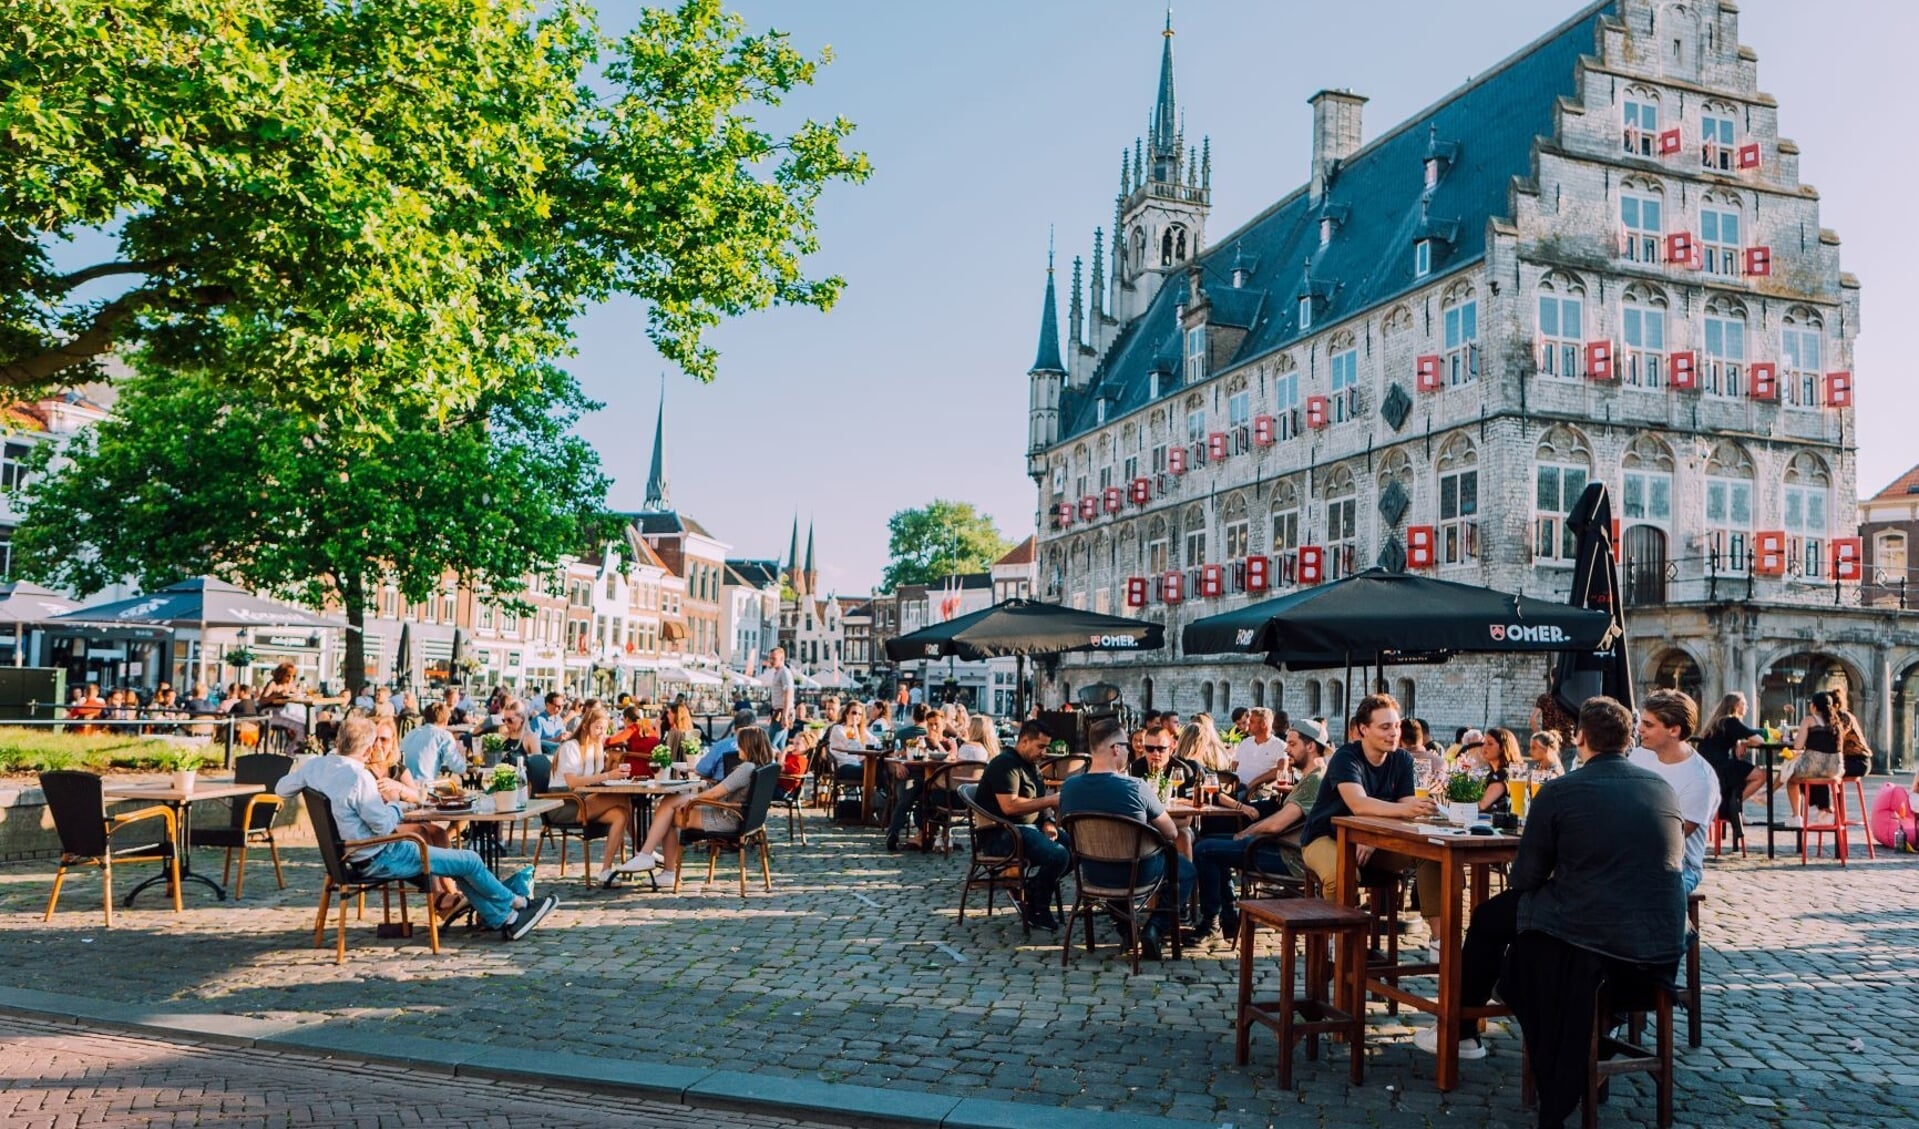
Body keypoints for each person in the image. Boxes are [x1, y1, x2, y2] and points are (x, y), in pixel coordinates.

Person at [1421, 696, 1686, 1118]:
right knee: (1503, 919)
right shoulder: (1662, 788)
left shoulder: (1561, 791)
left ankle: (1464, 1027)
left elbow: (1525, 879)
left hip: (1590, 936)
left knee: (1490, 918)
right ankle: (1467, 1027)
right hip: (1659, 940)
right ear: (1630, 739)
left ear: (1579, 738)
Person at [276, 716, 557, 939]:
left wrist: (309, 783)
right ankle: (517, 903)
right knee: (469, 860)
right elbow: (384, 825)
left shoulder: (317, 767)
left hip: (346, 856)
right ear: (367, 746)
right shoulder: (358, 776)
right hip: (376, 857)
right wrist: (398, 803)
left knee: (455, 864)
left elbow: (281, 787)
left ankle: (504, 919)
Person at [1297, 694, 1444, 955]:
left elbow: (1408, 810)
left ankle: (1440, 943)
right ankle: (1338, 941)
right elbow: (1358, 804)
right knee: (1342, 873)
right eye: (1385, 727)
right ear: (1364, 729)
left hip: (1373, 841)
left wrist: (1373, 836)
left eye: (1396, 726)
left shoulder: (1402, 760)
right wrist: (1395, 816)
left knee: (1432, 854)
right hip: (1324, 836)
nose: (1394, 734)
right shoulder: (1346, 757)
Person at [1059, 717, 1194, 960]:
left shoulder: (1069, 787)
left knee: (1116, 866)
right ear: (1116, 749)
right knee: (1185, 870)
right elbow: (1172, 833)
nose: (1133, 752)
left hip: (1092, 872)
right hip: (1138, 872)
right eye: (1129, 746)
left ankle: (1126, 929)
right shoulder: (1136, 787)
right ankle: (1155, 928)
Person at [1191, 717, 1331, 942]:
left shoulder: (1315, 780)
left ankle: (1212, 922)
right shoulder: (1314, 777)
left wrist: (1247, 833)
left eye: (1293, 744)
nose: (1286, 749)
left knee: (1204, 850)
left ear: (1311, 746)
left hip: (1288, 856)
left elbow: (1277, 823)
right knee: (1209, 840)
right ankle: (1227, 917)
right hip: (1281, 845)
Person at [620, 726, 778, 887]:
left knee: (668, 811)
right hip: (740, 817)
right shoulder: (763, 766)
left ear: (748, 745)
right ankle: (652, 860)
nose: (738, 747)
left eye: (740, 743)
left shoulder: (746, 768)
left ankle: (656, 862)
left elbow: (715, 794)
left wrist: (691, 802)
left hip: (726, 818)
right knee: (669, 804)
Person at [976, 719, 1070, 930]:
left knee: (1078, 848)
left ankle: (1033, 890)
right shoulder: (1004, 764)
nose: (1044, 752)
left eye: (1046, 747)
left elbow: (1039, 797)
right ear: (1024, 741)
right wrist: (1050, 802)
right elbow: (1009, 807)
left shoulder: (1032, 766)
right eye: (1041, 746)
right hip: (1001, 834)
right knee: (1058, 855)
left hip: (1028, 828)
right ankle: (1038, 909)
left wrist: (1048, 821)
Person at [1629, 689, 1717, 895]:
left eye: (1648, 725)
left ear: (1674, 730)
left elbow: (1673, 839)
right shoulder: (1638, 756)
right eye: (1641, 722)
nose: (1639, 729)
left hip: (1679, 865)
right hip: (1632, 852)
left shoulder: (1700, 778)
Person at [549, 704, 637, 887]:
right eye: (597, 728)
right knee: (623, 798)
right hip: (563, 803)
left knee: (621, 815)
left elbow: (593, 780)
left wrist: (614, 773)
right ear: (585, 726)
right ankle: (643, 849)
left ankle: (605, 871)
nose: (601, 733)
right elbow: (572, 782)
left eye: (604, 729)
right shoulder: (571, 747)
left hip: (583, 799)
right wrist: (607, 776)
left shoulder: (596, 748)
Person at [1781, 689, 1849, 828]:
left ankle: (1796, 817)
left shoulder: (1809, 720)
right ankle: (1825, 809)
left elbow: (1798, 746)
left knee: (1791, 778)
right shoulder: (1837, 723)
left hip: (1812, 767)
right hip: (1834, 770)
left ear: (1813, 706)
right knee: (1816, 775)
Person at [1696, 692, 1766, 821]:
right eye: (1744, 704)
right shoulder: (1731, 721)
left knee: (1741, 772)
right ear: (1735, 706)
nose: (1747, 707)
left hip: (1706, 767)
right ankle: (1732, 806)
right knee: (1761, 775)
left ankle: (1734, 808)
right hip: (1720, 767)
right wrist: (1745, 742)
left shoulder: (1718, 722)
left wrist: (1740, 743)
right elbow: (1760, 740)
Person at [398, 701, 466, 783]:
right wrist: (461, 754)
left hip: (404, 784)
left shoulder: (411, 733)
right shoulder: (443, 736)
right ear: (445, 721)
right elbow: (459, 768)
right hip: (424, 787)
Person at [1229, 708, 1289, 795]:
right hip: (1236, 787)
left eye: (1252, 721)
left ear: (1263, 724)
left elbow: (1281, 770)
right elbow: (1234, 765)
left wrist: (1254, 782)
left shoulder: (1279, 745)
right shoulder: (1245, 742)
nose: (1248, 724)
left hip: (1257, 792)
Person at [1472, 727, 1524, 815]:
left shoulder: (1504, 773)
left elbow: (1482, 805)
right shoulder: (1492, 773)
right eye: (1484, 743)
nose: (1484, 747)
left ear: (1503, 748)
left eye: (1490, 743)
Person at [695, 708, 758, 780]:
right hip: (753, 789)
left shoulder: (722, 745)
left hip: (722, 788)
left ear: (734, 727)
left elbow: (700, 770)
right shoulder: (763, 747)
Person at [761, 647, 797, 728]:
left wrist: (785, 715)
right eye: (770, 658)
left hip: (781, 713)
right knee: (779, 740)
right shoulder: (777, 672)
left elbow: (788, 694)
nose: (771, 661)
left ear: (782, 658)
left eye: (774, 658)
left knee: (770, 740)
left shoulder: (784, 672)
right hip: (778, 712)